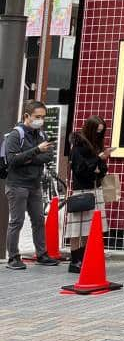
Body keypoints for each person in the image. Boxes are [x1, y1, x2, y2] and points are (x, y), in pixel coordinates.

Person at [3, 100, 60, 269]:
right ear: (27, 116)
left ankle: (42, 254)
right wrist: (36, 151)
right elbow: (13, 159)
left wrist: (28, 158)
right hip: (17, 185)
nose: (40, 120)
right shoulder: (16, 135)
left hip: (35, 184)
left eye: (43, 117)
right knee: (17, 221)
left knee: (38, 220)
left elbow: (48, 156)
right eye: (37, 117)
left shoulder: (41, 135)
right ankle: (13, 258)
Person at [66, 116, 111, 273]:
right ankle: (75, 260)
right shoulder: (78, 147)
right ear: (90, 129)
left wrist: (99, 163)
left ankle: (83, 258)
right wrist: (97, 160)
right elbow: (80, 170)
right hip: (82, 190)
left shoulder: (95, 145)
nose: (99, 134)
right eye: (97, 131)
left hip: (95, 188)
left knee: (88, 228)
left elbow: (101, 169)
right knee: (77, 229)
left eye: (101, 132)